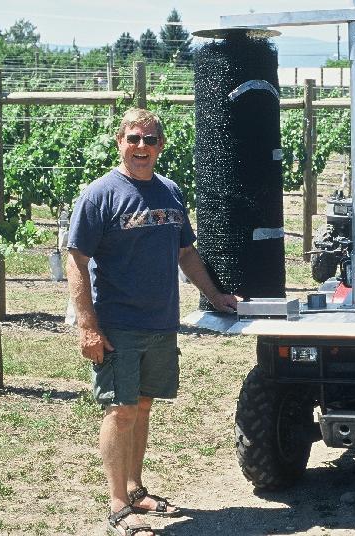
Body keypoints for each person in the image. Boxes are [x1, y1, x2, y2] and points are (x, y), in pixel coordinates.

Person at [67, 108, 238, 536]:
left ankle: (135, 487)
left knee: (142, 406)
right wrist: (87, 325)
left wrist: (214, 295)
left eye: (150, 139)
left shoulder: (171, 193)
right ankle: (117, 504)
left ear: (160, 146)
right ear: (119, 142)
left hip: (161, 322)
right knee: (121, 410)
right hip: (118, 323)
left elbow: (186, 253)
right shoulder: (99, 195)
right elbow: (77, 260)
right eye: (134, 139)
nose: (141, 147)